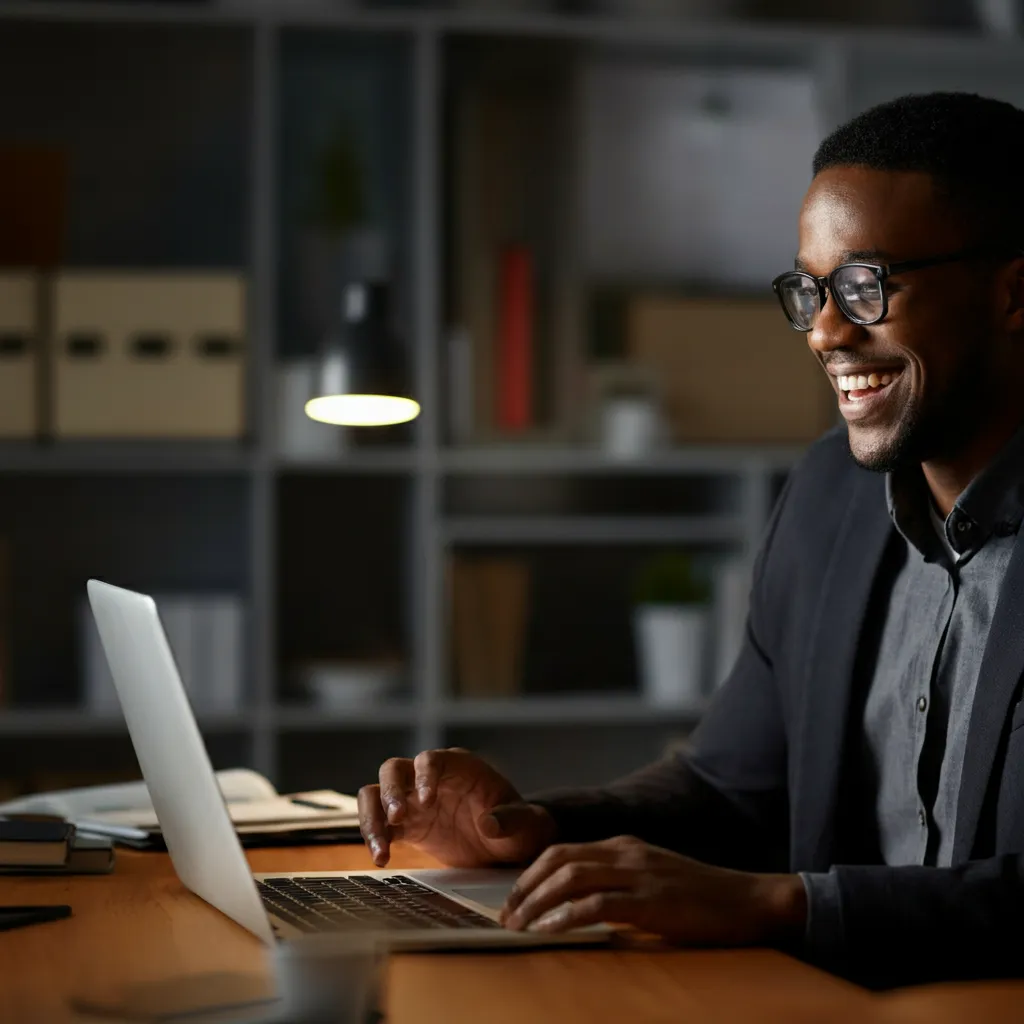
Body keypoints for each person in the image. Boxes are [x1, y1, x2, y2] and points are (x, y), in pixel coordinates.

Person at [358, 92, 1024, 989]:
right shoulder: (830, 495)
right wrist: (530, 827)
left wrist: (776, 904)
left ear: (1013, 292)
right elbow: (730, 791)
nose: (827, 331)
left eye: (867, 285)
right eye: (811, 291)